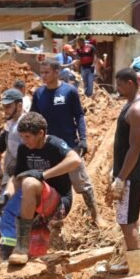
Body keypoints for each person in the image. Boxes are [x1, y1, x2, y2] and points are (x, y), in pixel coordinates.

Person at [31, 60, 102, 226]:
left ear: (56, 72)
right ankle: (53, 218)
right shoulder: (38, 94)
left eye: (46, 72)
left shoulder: (69, 91)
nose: (43, 76)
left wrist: (83, 138)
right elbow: (33, 118)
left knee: (82, 182)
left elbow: (79, 115)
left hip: (70, 146)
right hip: (47, 148)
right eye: (41, 72)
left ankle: (96, 216)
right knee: (49, 184)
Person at [9, 112, 82, 265]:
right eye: (22, 136)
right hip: (36, 203)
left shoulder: (55, 144)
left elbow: (75, 160)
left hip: (58, 203)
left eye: (27, 136)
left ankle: (21, 246)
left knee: (30, 182)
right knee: (36, 255)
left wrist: (44, 175)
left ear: (41, 133)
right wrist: (9, 197)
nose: (24, 140)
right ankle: (23, 244)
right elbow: (16, 177)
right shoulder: (24, 149)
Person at [107, 68, 140, 276]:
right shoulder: (130, 106)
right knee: (129, 220)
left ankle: (136, 273)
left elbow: (135, 148)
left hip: (131, 176)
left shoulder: (138, 110)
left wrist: (121, 178)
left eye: (120, 84)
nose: (118, 88)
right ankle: (132, 262)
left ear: (131, 84)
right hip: (127, 174)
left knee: (127, 223)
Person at [0, 89, 27, 187]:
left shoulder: (26, 125)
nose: (5, 110)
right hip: (10, 173)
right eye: (4, 107)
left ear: (19, 106)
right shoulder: (11, 121)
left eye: (8, 106)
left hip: (21, 176)